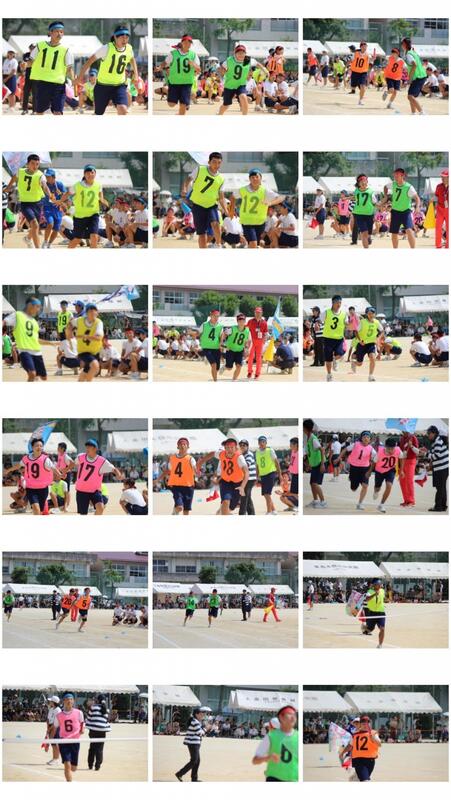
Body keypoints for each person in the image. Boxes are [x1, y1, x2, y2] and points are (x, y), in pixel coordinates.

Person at [76, 25, 138, 115]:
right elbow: (89, 61)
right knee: (98, 113)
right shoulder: (106, 48)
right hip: (102, 86)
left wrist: (136, 75)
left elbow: (132, 59)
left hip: (119, 85)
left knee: (123, 109)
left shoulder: (129, 48)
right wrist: (79, 77)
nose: (125, 40)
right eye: (122, 37)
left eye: (127, 37)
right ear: (115, 37)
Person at [4, 154, 55, 249]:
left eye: (37, 164)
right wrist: (8, 187)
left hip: (38, 203)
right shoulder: (20, 172)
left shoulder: (40, 175)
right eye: (33, 163)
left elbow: (45, 186)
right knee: (35, 224)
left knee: (36, 226)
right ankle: (37, 248)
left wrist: (50, 195)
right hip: (25, 203)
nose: (35, 166)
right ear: (27, 164)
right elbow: (14, 177)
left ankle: (27, 238)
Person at [62, 438, 123, 515]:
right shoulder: (81, 457)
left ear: (95, 449)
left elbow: (113, 469)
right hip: (81, 490)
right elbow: (73, 464)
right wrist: (65, 470)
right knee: (83, 514)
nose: (87, 449)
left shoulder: (102, 461)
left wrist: (118, 474)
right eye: (86, 447)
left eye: (89, 447)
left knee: (100, 508)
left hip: (95, 490)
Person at [181, 152, 228, 248]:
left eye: (219, 162)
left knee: (216, 224)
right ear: (209, 162)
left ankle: (218, 245)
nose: (217, 165)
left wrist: (226, 210)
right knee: (202, 234)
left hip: (211, 205)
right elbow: (188, 179)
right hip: (198, 205)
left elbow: (221, 197)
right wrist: (184, 188)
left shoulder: (221, 179)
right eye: (214, 162)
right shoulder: (200, 169)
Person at [3, 436, 58, 514]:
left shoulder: (45, 459)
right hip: (31, 488)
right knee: (36, 509)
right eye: (37, 445)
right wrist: (8, 470)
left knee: (40, 511)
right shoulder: (26, 458)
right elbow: (18, 465)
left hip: (43, 488)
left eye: (41, 446)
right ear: (32, 447)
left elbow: (53, 468)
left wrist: (60, 474)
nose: (39, 447)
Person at [29, 22, 74, 115]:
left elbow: (69, 68)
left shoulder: (66, 49)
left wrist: (74, 80)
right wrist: (24, 65)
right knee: (40, 112)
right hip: (43, 84)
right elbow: (31, 61)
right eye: (57, 31)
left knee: (58, 112)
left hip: (59, 85)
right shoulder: (40, 46)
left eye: (61, 32)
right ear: (50, 32)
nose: (59, 34)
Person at [197, 438, 249, 515]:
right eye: (227, 447)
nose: (229, 450)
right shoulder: (221, 453)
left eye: (232, 447)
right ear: (224, 448)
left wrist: (242, 486)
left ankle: (221, 512)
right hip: (225, 482)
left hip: (237, 483)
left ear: (235, 448)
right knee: (225, 501)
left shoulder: (239, 457)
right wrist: (200, 463)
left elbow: (246, 472)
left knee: (232, 507)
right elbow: (212, 453)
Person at [3, 296, 49, 381]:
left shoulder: (34, 322)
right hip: (24, 351)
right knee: (32, 373)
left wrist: (51, 343)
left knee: (44, 377)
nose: (38, 309)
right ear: (30, 305)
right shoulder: (18, 315)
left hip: (37, 352)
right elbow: (3, 322)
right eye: (37, 306)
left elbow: (36, 339)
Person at [238, 169, 285, 247]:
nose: (255, 179)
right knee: (253, 243)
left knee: (254, 244)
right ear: (249, 179)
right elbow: (233, 196)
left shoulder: (265, 191)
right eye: (252, 177)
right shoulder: (243, 189)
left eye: (257, 177)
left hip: (260, 223)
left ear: (260, 178)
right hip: (247, 222)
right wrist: (231, 210)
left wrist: (270, 203)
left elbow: (281, 197)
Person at [218, 44, 267, 115]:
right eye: (239, 53)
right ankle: (220, 114)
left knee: (243, 97)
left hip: (241, 85)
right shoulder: (229, 60)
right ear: (235, 54)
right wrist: (223, 72)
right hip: (229, 86)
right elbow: (221, 69)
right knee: (226, 105)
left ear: (245, 53)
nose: (241, 55)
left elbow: (257, 64)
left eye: (243, 53)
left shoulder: (247, 60)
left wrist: (265, 70)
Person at [252, 706, 298, 781]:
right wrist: (268, 758)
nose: (293, 717)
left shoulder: (297, 736)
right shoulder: (271, 736)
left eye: (294, 715)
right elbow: (255, 760)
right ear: (281, 718)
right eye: (290, 714)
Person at [161, 34, 201, 115]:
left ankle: (181, 111)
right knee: (171, 104)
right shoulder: (173, 53)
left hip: (187, 83)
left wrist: (193, 64)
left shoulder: (193, 55)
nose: (188, 44)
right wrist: (160, 67)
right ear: (182, 42)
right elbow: (165, 62)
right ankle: (177, 96)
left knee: (183, 104)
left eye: (190, 42)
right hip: (174, 82)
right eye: (186, 42)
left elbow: (199, 69)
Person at [384, 168, 420, 249]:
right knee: (394, 232)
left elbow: (417, 198)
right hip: (395, 211)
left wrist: (417, 207)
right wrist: (386, 196)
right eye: (394, 175)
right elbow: (385, 187)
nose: (395, 177)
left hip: (405, 212)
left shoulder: (408, 187)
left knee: (409, 230)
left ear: (402, 176)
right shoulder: (393, 184)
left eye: (397, 175)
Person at [342, 432, 377, 510]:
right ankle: (351, 478)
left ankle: (360, 503)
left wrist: (371, 469)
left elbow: (376, 458)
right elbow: (345, 449)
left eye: (368, 437)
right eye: (364, 437)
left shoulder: (371, 448)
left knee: (365, 485)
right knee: (353, 489)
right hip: (354, 468)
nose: (366, 438)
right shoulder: (356, 444)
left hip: (365, 468)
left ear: (370, 440)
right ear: (361, 438)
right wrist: (339, 457)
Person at [70, 302, 104, 381]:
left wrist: (83, 336)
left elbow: (98, 338)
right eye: (90, 310)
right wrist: (70, 333)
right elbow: (70, 324)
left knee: (86, 371)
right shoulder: (79, 320)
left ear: (97, 312)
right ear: (86, 313)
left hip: (95, 351)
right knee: (95, 366)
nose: (93, 312)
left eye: (94, 310)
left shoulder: (99, 322)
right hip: (83, 351)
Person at [55, 692, 85, 781]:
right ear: (63, 701)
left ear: (73, 701)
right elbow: (55, 727)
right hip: (64, 742)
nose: (69, 701)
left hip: (75, 741)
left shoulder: (79, 712)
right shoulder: (59, 715)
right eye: (67, 699)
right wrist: (50, 741)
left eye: (71, 699)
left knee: (73, 768)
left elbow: (82, 722)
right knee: (67, 765)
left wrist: (82, 729)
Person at [164, 437, 196, 515]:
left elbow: (195, 470)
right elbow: (169, 470)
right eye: (180, 444)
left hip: (188, 486)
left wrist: (197, 471)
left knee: (186, 510)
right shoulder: (172, 458)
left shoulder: (191, 459)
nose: (182, 445)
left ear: (188, 447)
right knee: (180, 507)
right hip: (176, 486)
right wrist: (160, 479)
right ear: (177, 446)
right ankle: (174, 513)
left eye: (185, 444)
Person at [175, 707, 209, 781]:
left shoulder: (195, 721)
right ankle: (180, 774)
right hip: (193, 743)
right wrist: (206, 728)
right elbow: (200, 733)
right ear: (196, 714)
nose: (203, 715)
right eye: (201, 714)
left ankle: (194, 778)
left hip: (194, 743)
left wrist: (204, 728)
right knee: (194, 761)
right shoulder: (195, 722)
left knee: (197, 761)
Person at [343, 716, 381, 781]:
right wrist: (342, 753)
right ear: (360, 724)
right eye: (363, 724)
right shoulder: (355, 734)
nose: (365, 725)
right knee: (365, 779)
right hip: (358, 760)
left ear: (369, 724)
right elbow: (350, 745)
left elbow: (379, 744)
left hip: (370, 760)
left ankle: (355, 779)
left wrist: (373, 739)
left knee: (365, 778)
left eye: (367, 724)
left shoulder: (373, 733)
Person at [351, 306, 384, 381]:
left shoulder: (376, 322)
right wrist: (360, 340)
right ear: (366, 314)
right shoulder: (362, 322)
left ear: (374, 314)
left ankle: (370, 376)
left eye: (372, 313)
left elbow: (382, 331)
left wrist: (378, 338)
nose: (371, 315)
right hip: (362, 344)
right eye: (369, 313)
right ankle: (354, 363)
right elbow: (355, 331)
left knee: (373, 358)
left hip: (371, 344)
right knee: (359, 364)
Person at [322, 295, 349, 381]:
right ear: (333, 303)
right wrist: (317, 324)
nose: (339, 304)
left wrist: (350, 325)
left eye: (340, 302)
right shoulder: (326, 312)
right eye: (337, 302)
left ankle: (335, 360)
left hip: (339, 339)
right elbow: (319, 320)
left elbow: (347, 324)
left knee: (341, 353)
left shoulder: (344, 314)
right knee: (328, 359)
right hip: (328, 338)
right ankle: (329, 374)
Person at [423, 425, 448, 512]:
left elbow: (436, 456)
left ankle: (438, 507)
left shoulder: (437, 442)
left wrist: (425, 454)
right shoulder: (436, 441)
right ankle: (443, 506)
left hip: (441, 468)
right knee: (442, 487)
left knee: (440, 488)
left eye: (429, 433)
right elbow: (434, 453)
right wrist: (427, 452)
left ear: (434, 433)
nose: (428, 435)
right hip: (442, 467)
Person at [255, 435, 282, 515]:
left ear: (266, 443)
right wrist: (257, 477)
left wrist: (280, 475)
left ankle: (269, 511)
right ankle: (274, 510)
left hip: (271, 473)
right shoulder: (257, 452)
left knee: (267, 493)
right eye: (260, 442)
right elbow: (257, 465)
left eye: (263, 442)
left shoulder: (270, 450)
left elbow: (277, 463)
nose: (262, 443)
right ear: (258, 443)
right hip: (263, 475)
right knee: (265, 494)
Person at [194, 309, 223, 382]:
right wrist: (193, 336)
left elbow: (221, 336)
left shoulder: (220, 326)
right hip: (206, 348)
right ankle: (215, 381)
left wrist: (221, 344)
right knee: (214, 365)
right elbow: (197, 333)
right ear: (211, 316)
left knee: (217, 368)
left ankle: (214, 378)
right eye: (215, 316)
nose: (216, 318)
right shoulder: (204, 325)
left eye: (217, 316)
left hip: (216, 348)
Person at [303, 418, 326, 509]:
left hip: (319, 463)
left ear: (305, 428)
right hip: (314, 464)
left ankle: (323, 502)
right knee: (312, 483)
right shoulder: (308, 438)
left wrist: (322, 464)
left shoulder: (313, 439)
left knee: (315, 484)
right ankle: (315, 501)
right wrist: (309, 464)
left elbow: (322, 450)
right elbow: (310, 453)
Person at [401, 37, 427, 115]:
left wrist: (409, 79)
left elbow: (414, 65)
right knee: (411, 96)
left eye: (402, 43)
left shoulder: (409, 54)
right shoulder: (412, 52)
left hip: (418, 77)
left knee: (410, 96)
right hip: (420, 76)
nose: (401, 45)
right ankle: (413, 113)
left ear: (404, 44)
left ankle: (422, 113)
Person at [221, 313, 250, 380]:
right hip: (230, 350)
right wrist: (223, 343)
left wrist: (246, 349)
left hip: (239, 351)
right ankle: (225, 367)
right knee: (229, 368)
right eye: (240, 320)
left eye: (243, 320)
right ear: (237, 321)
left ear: (245, 321)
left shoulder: (247, 330)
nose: (241, 322)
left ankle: (234, 380)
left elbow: (246, 340)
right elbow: (224, 333)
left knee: (239, 366)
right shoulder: (232, 328)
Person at [86, 693, 110, 771]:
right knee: (100, 749)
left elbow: (89, 718)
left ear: (97, 700)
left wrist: (89, 725)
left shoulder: (93, 707)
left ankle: (90, 765)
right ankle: (98, 766)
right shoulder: (106, 709)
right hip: (102, 731)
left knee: (92, 747)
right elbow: (106, 720)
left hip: (93, 730)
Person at [360, 579, 386, 647]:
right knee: (369, 630)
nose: (380, 586)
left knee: (382, 629)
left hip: (381, 613)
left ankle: (380, 645)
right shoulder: (370, 591)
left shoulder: (382, 591)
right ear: (374, 585)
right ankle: (364, 627)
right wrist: (374, 594)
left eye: (380, 584)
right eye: (378, 584)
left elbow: (382, 599)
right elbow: (367, 599)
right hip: (372, 613)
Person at [398, 431, 420, 507]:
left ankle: (411, 501)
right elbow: (400, 450)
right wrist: (402, 453)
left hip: (411, 460)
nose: (403, 431)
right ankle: (406, 500)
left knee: (409, 480)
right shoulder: (402, 438)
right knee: (402, 481)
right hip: (403, 461)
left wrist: (411, 446)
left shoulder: (413, 437)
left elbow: (417, 452)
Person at [247, 306, 268, 380]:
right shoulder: (250, 321)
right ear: (254, 313)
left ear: (261, 313)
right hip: (252, 341)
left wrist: (264, 340)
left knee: (258, 358)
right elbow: (246, 331)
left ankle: (257, 373)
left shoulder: (264, 322)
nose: (258, 314)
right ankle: (249, 372)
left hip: (260, 341)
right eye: (256, 312)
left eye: (259, 313)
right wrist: (247, 340)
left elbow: (265, 332)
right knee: (250, 357)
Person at [238, 439, 256, 515]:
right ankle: (251, 514)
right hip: (245, 479)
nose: (242, 446)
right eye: (240, 445)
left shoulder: (249, 454)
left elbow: (246, 465)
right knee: (247, 498)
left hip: (250, 479)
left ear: (247, 446)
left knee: (244, 497)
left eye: (244, 445)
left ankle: (242, 514)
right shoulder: (240, 455)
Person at [45, 695, 62, 766]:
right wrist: (48, 728)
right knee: (52, 743)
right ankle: (54, 758)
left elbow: (56, 722)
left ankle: (57, 759)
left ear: (54, 702)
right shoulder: (51, 709)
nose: (49, 702)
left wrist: (50, 728)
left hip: (56, 727)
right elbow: (48, 719)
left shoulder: (58, 710)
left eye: (51, 701)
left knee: (55, 743)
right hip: (50, 726)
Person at [434, 169, 448, 249]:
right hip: (440, 208)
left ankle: (448, 244)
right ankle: (438, 244)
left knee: (449, 227)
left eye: (444, 177)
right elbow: (436, 196)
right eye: (441, 177)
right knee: (438, 227)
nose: (442, 178)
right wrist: (435, 207)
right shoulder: (438, 186)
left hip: (448, 210)